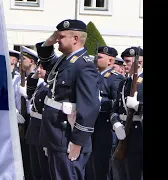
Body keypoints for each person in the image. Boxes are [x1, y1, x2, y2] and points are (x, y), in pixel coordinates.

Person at [35, 19, 100, 180]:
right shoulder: (66, 60)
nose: (57, 39)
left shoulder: (84, 65)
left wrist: (78, 141)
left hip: (67, 135)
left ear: (75, 39)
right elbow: (47, 61)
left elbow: (89, 106)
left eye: (62, 36)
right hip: (55, 134)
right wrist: (50, 41)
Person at [85, 46, 125, 180]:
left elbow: (117, 103)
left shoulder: (115, 78)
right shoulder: (93, 75)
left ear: (110, 61)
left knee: (102, 163)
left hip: (104, 124)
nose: (96, 59)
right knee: (90, 163)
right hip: (91, 123)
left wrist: (100, 101)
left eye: (100, 57)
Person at [110, 47, 143, 180]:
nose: (124, 64)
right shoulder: (124, 82)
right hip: (122, 132)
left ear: (139, 63)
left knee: (135, 173)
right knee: (121, 171)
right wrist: (116, 123)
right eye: (124, 61)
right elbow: (115, 109)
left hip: (138, 134)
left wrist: (138, 106)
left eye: (128, 61)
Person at [25, 60, 51, 180]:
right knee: (34, 167)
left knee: (43, 169)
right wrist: (36, 74)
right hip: (34, 129)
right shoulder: (42, 85)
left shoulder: (51, 88)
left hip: (42, 129)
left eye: (42, 68)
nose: (39, 70)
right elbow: (30, 88)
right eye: (38, 67)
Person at [18, 46, 39, 180]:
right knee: (22, 153)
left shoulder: (39, 79)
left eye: (23, 59)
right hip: (20, 119)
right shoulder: (17, 79)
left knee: (33, 156)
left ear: (31, 61)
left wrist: (26, 94)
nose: (20, 61)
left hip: (33, 119)